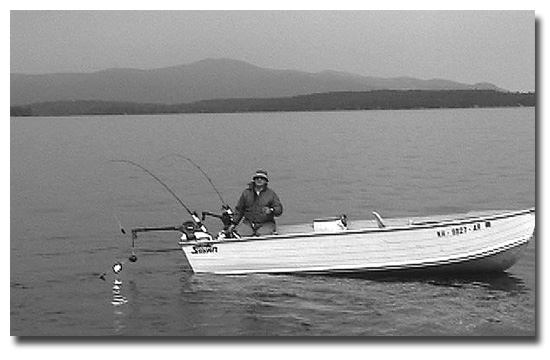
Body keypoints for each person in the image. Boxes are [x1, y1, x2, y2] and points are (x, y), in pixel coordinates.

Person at [230, 169, 283, 237]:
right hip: (248, 223)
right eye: (257, 178)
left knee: (263, 236)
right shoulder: (246, 193)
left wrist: (271, 210)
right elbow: (239, 210)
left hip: (266, 223)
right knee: (240, 235)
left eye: (262, 178)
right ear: (254, 180)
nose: (259, 180)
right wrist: (233, 223)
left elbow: (279, 209)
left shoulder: (271, 194)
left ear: (266, 181)